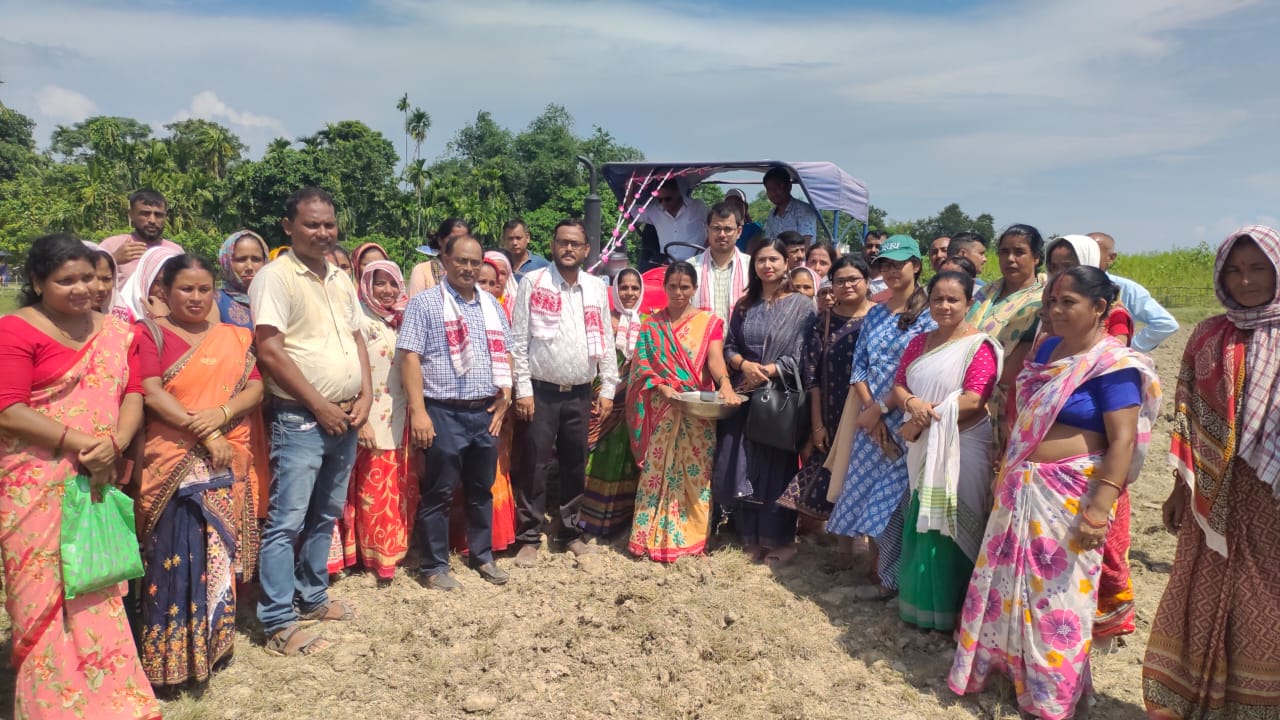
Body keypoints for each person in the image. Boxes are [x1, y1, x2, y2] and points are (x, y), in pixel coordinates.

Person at [950, 265, 1160, 720]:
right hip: (1023, 485)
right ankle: (1014, 675)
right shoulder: (1047, 348)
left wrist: (1099, 509)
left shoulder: (1114, 364)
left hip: (1072, 495)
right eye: (1051, 302)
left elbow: (1122, 441)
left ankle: (1052, 698)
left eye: (1068, 302)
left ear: (1099, 308)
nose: (1056, 310)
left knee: (1057, 601)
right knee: (1011, 587)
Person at [0, 234, 160, 719]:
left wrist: (112, 445)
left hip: (97, 476)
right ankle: (53, 706)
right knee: (39, 593)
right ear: (36, 282)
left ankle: (113, 701)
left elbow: (133, 392)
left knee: (98, 581)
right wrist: (81, 444)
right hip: (37, 481)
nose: (81, 288)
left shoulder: (116, 329)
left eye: (89, 277)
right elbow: (8, 408)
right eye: (65, 280)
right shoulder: (15, 329)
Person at [1143, 226, 1280, 719]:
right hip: (1213, 492)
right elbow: (1187, 406)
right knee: (1199, 586)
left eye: (1258, 268)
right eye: (1235, 271)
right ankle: (1189, 699)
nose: (1246, 281)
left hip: (1271, 499)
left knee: (1265, 597)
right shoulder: (1208, 334)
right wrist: (1181, 486)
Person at [249, 187, 372, 657]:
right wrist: (319, 403)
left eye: (329, 224)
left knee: (325, 513)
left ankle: (312, 595)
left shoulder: (339, 278)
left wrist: (365, 393)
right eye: (312, 224)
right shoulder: (275, 278)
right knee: (287, 520)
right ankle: (278, 619)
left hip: (346, 413)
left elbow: (356, 337)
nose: (323, 233)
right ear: (288, 227)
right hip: (301, 416)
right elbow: (271, 350)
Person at [132, 254, 264, 688]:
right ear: (164, 292)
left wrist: (223, 412)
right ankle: (168, 660)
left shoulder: (234, 336)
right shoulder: (148, 333)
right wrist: (207, 433)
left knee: (215, 552)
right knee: (174, 553)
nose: (195, 297)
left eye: (204, 289)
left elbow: (255, 387)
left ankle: (214, 644)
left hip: (225, 458)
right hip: (172, 459)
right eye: (185, 289)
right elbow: (150, 392)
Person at [399, 234, 512, 590]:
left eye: (474, 262)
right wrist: (419, 411)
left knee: (482, 489)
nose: (468, 268)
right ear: (444, 261)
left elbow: (506, 351)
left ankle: (482, 556)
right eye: (461, 261)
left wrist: (506, 395)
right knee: (440, 490)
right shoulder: (426, 304)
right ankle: (433, 565)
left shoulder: (492, 305)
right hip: (443, 412)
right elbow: (410, 356)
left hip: (484, 413)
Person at [826, 236, 936, 598]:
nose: (890, 272)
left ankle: (893, 579)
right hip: (868, 420)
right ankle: (877, 571)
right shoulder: (875, 312)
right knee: (866, 495)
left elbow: (913, 370)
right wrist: (869, 411)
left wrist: (881, 410)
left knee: (893, 503)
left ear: (916, 266)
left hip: (905, 419)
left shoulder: (927, 317)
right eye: (885, 265)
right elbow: (859, 368)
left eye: (898, 264)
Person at [889, 271, 1000, 631]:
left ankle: (955, 613)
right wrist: (913, 404)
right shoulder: (919, 342)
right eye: (938, 298)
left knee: (954, 521)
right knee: (923, 520)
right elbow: (900, 385)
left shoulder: (979, 346)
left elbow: (972, 400)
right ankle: (920, 607)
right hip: (924, 446)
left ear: (970, 303)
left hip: (961, 445)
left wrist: (920, 420)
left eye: (954, 299)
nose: (945, 306)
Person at [509, 219, 619, 567]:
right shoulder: (533, 282)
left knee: (574, 463)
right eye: (562, 242)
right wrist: (522, 390)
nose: (568, 248)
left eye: (575, 243)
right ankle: (529, 536)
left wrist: (609, 389)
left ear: (587, 250)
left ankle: (569, 531)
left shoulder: (596, 288)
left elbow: (606, 340)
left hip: (581, 393)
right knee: (535, 464)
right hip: (540, 392)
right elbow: (518, 341)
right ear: (553, 245)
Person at [714, 238, 818, 565]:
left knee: (776, 468)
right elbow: (729, 346)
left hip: (779, 399)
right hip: (746, 394)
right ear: (753, 265)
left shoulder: (802, 306)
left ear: (787, 263)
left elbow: (805, 354)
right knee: (745, 465)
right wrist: (743, 365)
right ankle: (749, 536)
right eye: (761, 260)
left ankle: (780, 540)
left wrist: (772, 370)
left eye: (774, 259)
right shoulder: (745, 305)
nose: (767, 266)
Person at [626, 262, 739, 561]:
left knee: (695, 475)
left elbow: (715, 358)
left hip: (696, 410)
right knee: (657, 473)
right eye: (673, 286)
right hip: (662, 408)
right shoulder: (651, 325)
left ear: (694, 289)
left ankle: (691, 540)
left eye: (685, 287)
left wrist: (725, 383)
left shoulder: (707, 321)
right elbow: (641, 366)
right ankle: (649, 537)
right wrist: (661, 387)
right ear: (664, 288)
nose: (678, 292)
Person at [328, 259, 415, 580]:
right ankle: (369, 556)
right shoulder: (360, 322)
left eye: (393, 283)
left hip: (400, 416)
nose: (388, 291)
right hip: (370, 417)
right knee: (370, 490)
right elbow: (350, 371)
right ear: (366, 286)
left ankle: (394, 551)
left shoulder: (402, 320)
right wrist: (359, 418)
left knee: (397, 488)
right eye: (380, 283)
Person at [780, 255, 875, 522]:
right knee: (833, 474)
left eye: (853, 279)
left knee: (864, 473)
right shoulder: (824, 321)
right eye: (839, 281)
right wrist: (818, 425)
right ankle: (839, 544)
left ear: (867, 282)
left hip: (871, 412)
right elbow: (812, 376)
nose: (846, 286)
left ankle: (864, 548)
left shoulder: (882, 318)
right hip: (831, 413)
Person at [579, 268, 645, 539]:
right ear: (615, 290)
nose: (629, 293)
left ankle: (618, 520)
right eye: (624, 288)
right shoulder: (603, 320)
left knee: (624, 458)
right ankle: (586, 521)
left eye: (634, 288)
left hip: (630, 405)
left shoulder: (648, 323)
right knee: (595, 456)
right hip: (603, 400)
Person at [967, 224, 1045, 450]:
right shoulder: (985, 293)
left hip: (1010, 397)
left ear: (1036, 258)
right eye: (1004, 252)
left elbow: (1025, 351)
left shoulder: (1041, 300)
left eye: (1019, 252)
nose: (1010, 259)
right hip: (968, 391)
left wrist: (985, 387)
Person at [1089, 231, 1179, 352]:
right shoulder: (1064, 286)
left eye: (1093, 253)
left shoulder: (1128, 289)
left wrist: (1130, 349)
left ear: (1111, 258)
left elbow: (1165, 323)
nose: (1086, 257)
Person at [1043, 234, 1133, 345]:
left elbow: (1116, 355)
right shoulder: (1047, 303)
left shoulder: (1114, 314)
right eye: (1054, 267)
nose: (1059, 274)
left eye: (1068, 266)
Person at [98, 188, 181, 285]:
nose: (152, 220)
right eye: (145, 213)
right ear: (131, 215)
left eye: (158, 215)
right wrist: (113, 260)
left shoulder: (175, 252)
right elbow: (89, 278)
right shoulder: (112, 246)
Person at [691, 201, 751, 323]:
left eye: (728, 229)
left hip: (741, 340)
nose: (722, 234)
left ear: (739, 232)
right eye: (716, 228)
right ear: (707, 230)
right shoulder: (691, 267)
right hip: (700, 340)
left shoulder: (751, 266)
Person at [638, 178, 709, 262]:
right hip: (667, 267)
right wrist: (631, 186)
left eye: (668, 199)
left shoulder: (697, 207)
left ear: (678, 192)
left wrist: (707, 247)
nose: (664, 203)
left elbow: (714, 225)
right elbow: (631, 211)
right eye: (660, 200)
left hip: (696, 265)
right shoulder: (655, 211)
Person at [216, 230, 269, 330]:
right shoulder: (216, 301)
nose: (249, 267)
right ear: (227, 261)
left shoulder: (276, 298)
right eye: (241, 259)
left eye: (256, 259)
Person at [116, 245, 182, 322]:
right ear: (144, 281)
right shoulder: (121, 315)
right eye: (159, 282)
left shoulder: (189, 317)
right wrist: (160, 320)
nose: (165, 290)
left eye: (171, 283)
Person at [409, 218, 471, 296]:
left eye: (463, 240)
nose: (457, 244)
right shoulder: (422, 271)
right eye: (452, 239)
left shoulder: (471, 272)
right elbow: (414, 306)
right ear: (440, 241)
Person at [762, 167, 819, 244]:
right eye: (769, 189)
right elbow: (769, 243)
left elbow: (805, 245)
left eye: (777, 188)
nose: (773, 193)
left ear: (789, 186)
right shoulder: (772, 215)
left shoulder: (804, 210)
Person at [83, 240, 129, 321]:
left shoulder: (124, 316)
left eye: (106, 279)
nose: (101, 288)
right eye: (91, 279)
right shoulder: (58, 326)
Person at [724, 188, 763, 253]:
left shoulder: (753, 228)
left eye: (736, 204)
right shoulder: (721, 230)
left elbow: (750, 257)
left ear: (745, 207)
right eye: (729, 204)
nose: (733, 207)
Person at [863, 230, 888, 295]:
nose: (873, 250)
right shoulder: (856, 275)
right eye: (869, 246)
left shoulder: (894, 278)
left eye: (878, 247)